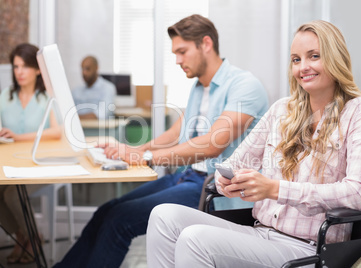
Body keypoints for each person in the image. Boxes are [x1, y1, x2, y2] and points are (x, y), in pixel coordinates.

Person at [146, 20, 361, 267]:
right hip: (260, 232)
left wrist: (275, 189)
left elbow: (359, 193)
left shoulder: (360, 110)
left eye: (314, 56)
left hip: (307, 246)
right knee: (163, 216)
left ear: (335, 58)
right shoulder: (282, 109)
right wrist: (227, 181)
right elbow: (234, 162)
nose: (303, 67)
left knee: (195, 239)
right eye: (296, 59)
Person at [54, 14, 269, 268]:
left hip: (214, 188)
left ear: (206, 44)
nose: (177, 61)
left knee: (119, 220)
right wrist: (136, 149)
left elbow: (213, 144)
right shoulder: (200, 87)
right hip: (187, 176)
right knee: (105, 211)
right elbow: (178, 132)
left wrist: (145, 158)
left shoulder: (244, 86)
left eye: (182, 52)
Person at [0, 43, 61, 264]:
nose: (19, 72)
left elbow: (57, 132)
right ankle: (22, 237)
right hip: (9, 164)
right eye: (16, 67)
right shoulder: (6, 95)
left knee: (12, 195)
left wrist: (18, 137)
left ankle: (31, 240)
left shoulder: (47, 97)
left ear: (37, 69)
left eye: (25, 66)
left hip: (41, 164)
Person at [71, 56, 117, 120]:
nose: (84, 73)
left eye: (88, 69)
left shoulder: (108, 88)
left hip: (99, 129)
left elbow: (100, 115)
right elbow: (69, 112)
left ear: (96, 68)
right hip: (77, 128)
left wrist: (75, 118)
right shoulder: (76, 91)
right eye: (82, 69)